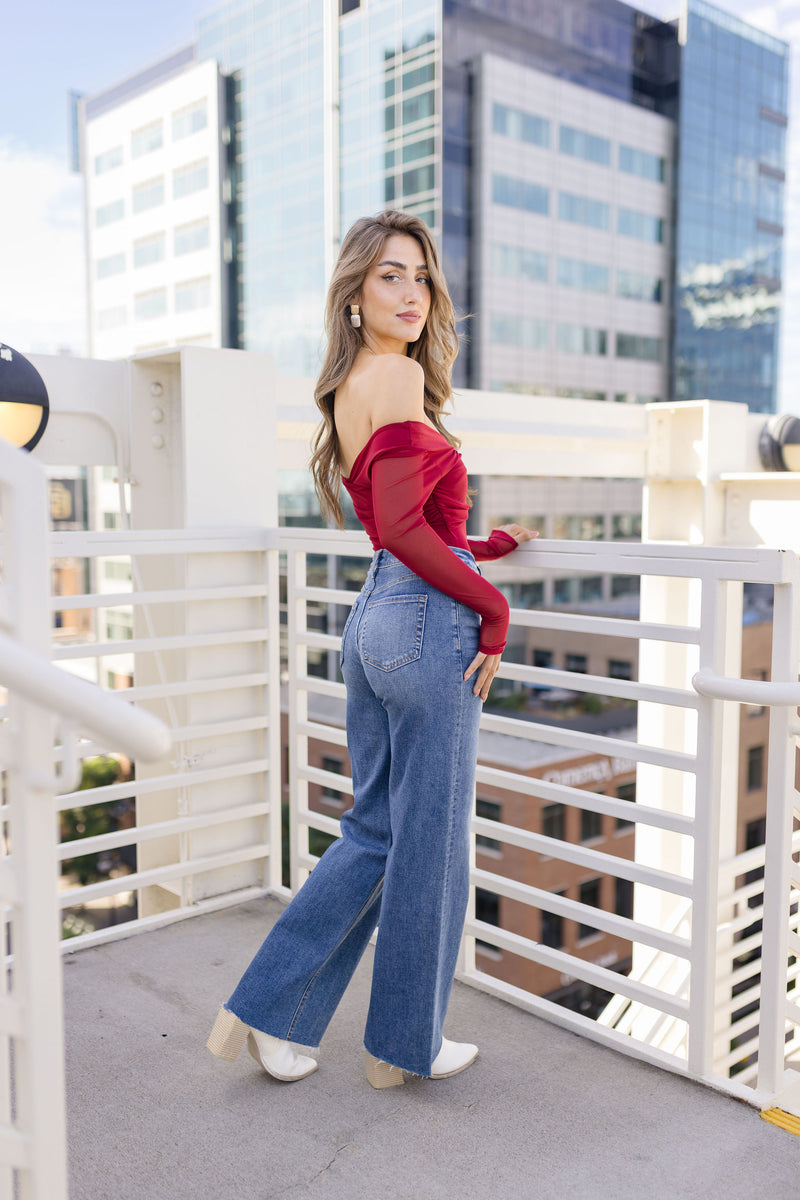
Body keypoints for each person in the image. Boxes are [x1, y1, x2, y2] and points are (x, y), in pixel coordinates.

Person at [206, 210, 536, 1088]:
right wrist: (492, 607)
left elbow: (408, 527)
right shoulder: (392, 377)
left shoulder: (359, 381)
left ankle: (265, 1011)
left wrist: (484, 546)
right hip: (428, 626)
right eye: (390, 275)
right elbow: (396, 525)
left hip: (382, 621)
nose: (411, 293)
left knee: (376, 831)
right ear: (354, 293)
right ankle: (405, 1046)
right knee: (430, 844)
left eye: (422, 276)